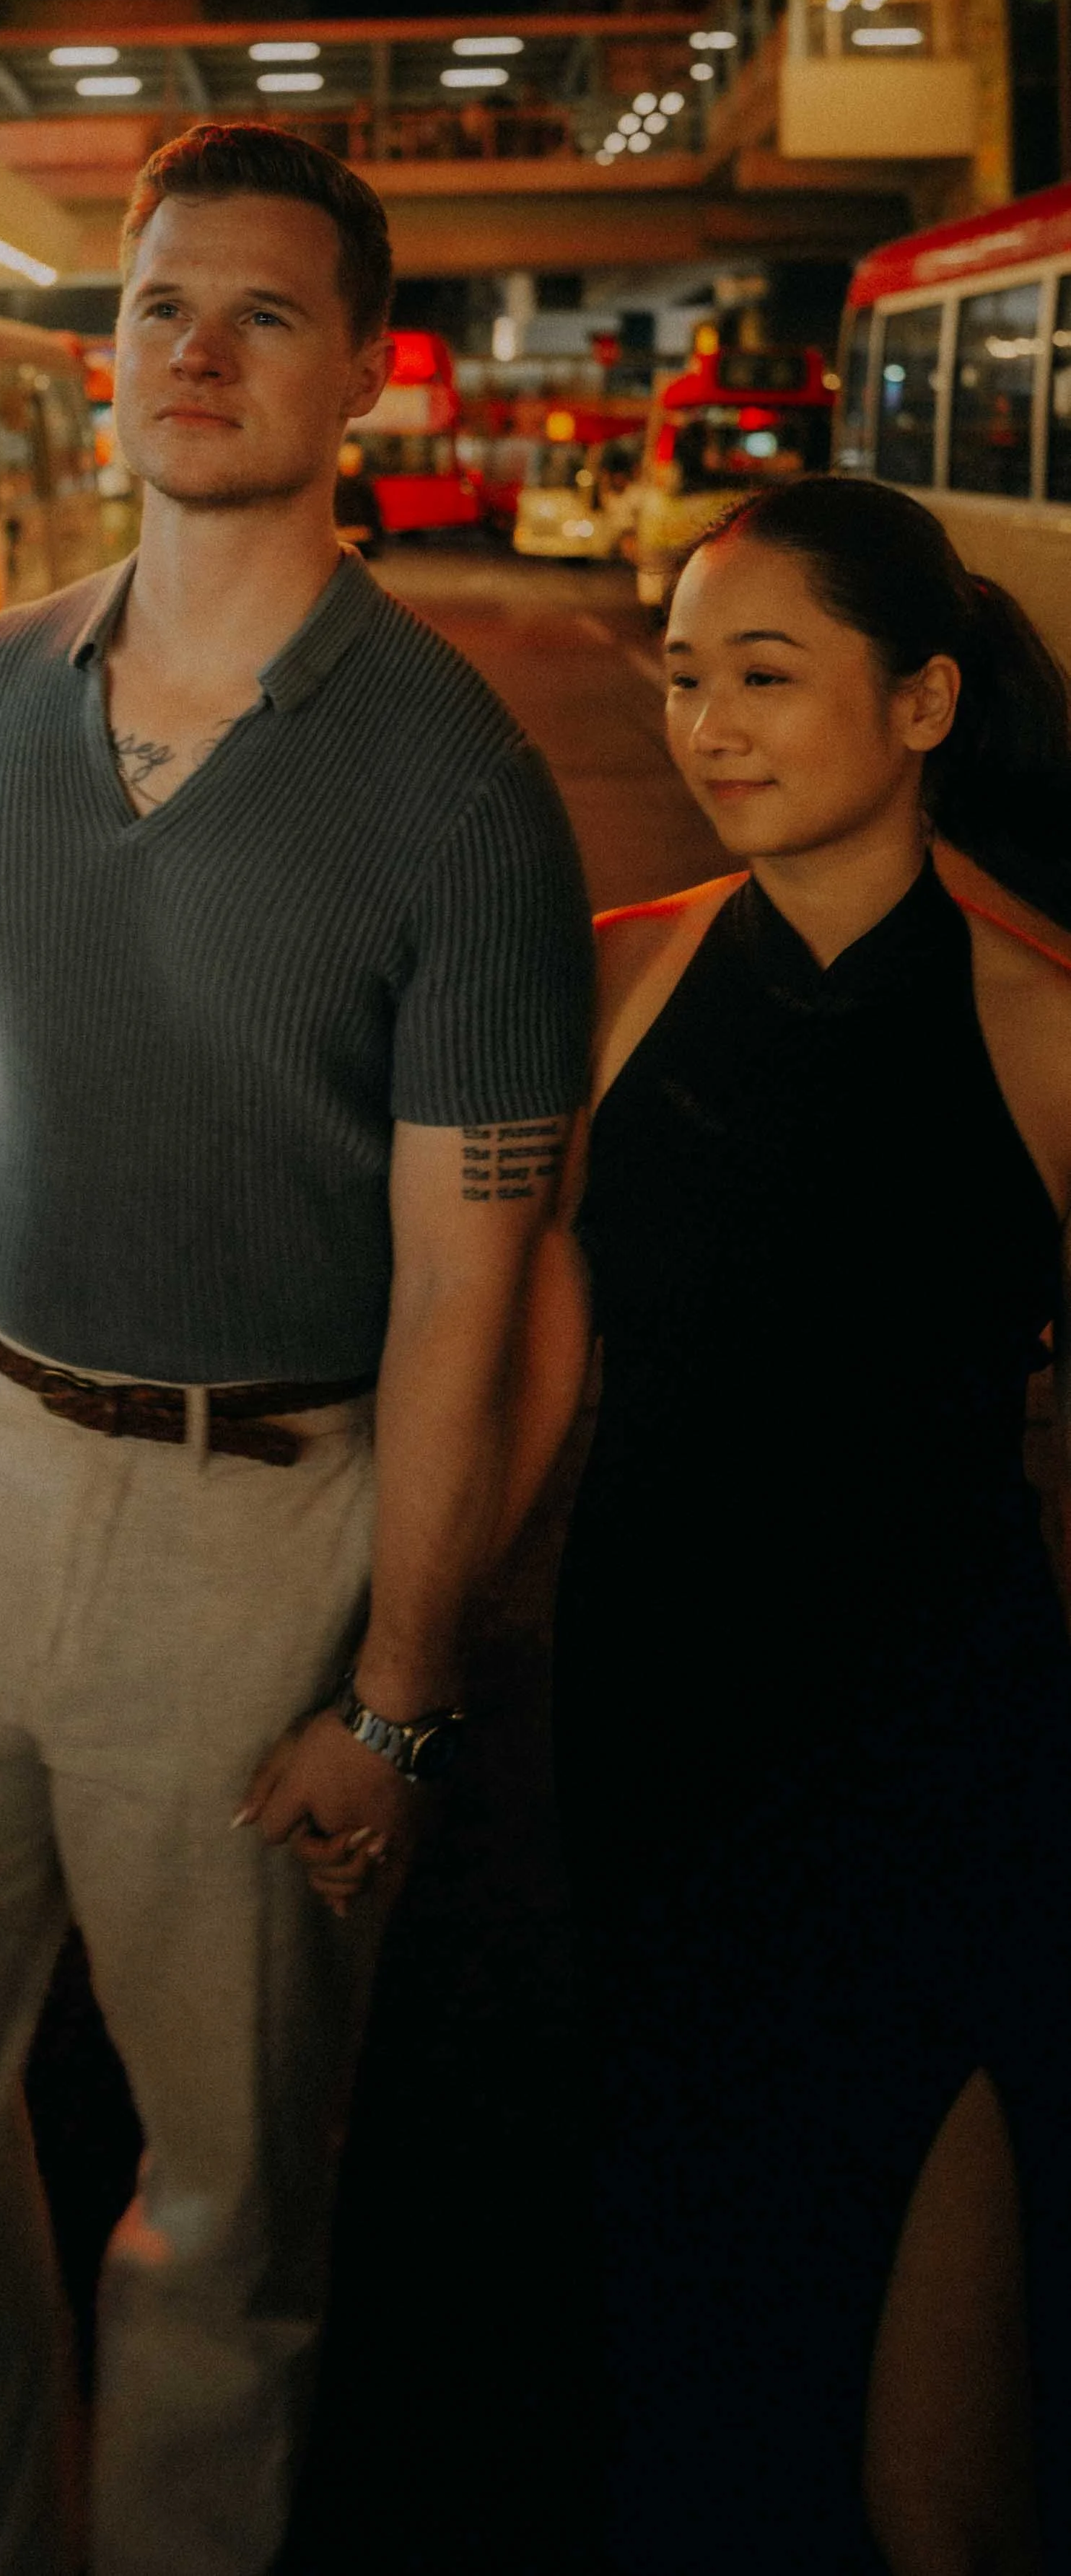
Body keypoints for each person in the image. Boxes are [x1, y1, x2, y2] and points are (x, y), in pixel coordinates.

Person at [0, 122, 593, 2576]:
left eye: (256, 313)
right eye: (155, 308)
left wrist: (406, 1684)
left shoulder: (454, 795)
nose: (191, 352)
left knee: (225, 2215)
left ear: (353, 369)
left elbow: (479, 1273)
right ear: (106, 341)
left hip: (255, 1546)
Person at [533, 475, 1071, 2574]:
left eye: (766, 673)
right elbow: (521, 1380)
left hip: (939, 1751)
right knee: (695, 2361)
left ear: (922, 697)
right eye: (681, 679)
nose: (708, 725)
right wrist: (384, 1693)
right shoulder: (616, 985)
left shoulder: (1043, 1025)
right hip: (654, 1728)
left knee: (933, 2485)